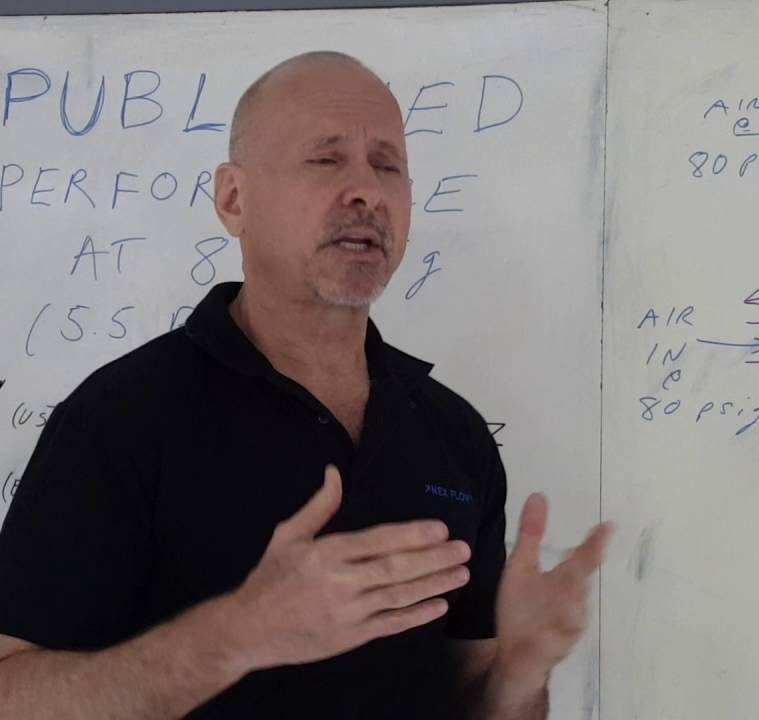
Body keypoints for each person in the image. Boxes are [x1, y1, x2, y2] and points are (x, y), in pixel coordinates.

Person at [0, 51, 612, 719]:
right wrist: (237, 636)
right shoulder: (121, 417)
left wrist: (519, 674)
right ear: (235, 200)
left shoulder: (452, 432)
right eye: (326, 160)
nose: (366, 191)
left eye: (387, 165)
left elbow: (474, 699)